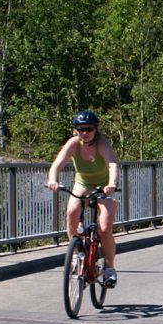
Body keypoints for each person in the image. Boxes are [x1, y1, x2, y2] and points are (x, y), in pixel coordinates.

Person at [46, 110, 120, 287]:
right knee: (72, 212)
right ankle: (75, 254)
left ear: (96, 129)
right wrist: (52, 179)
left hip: (103, 186)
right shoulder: (73, 144)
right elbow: (57, 163)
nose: (84, 133)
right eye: (80, 129)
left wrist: (112, 184)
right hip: (82, 184)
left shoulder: (102, 144)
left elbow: (112, 164)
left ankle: (109, 269)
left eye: (88, 129)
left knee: (104, 228)